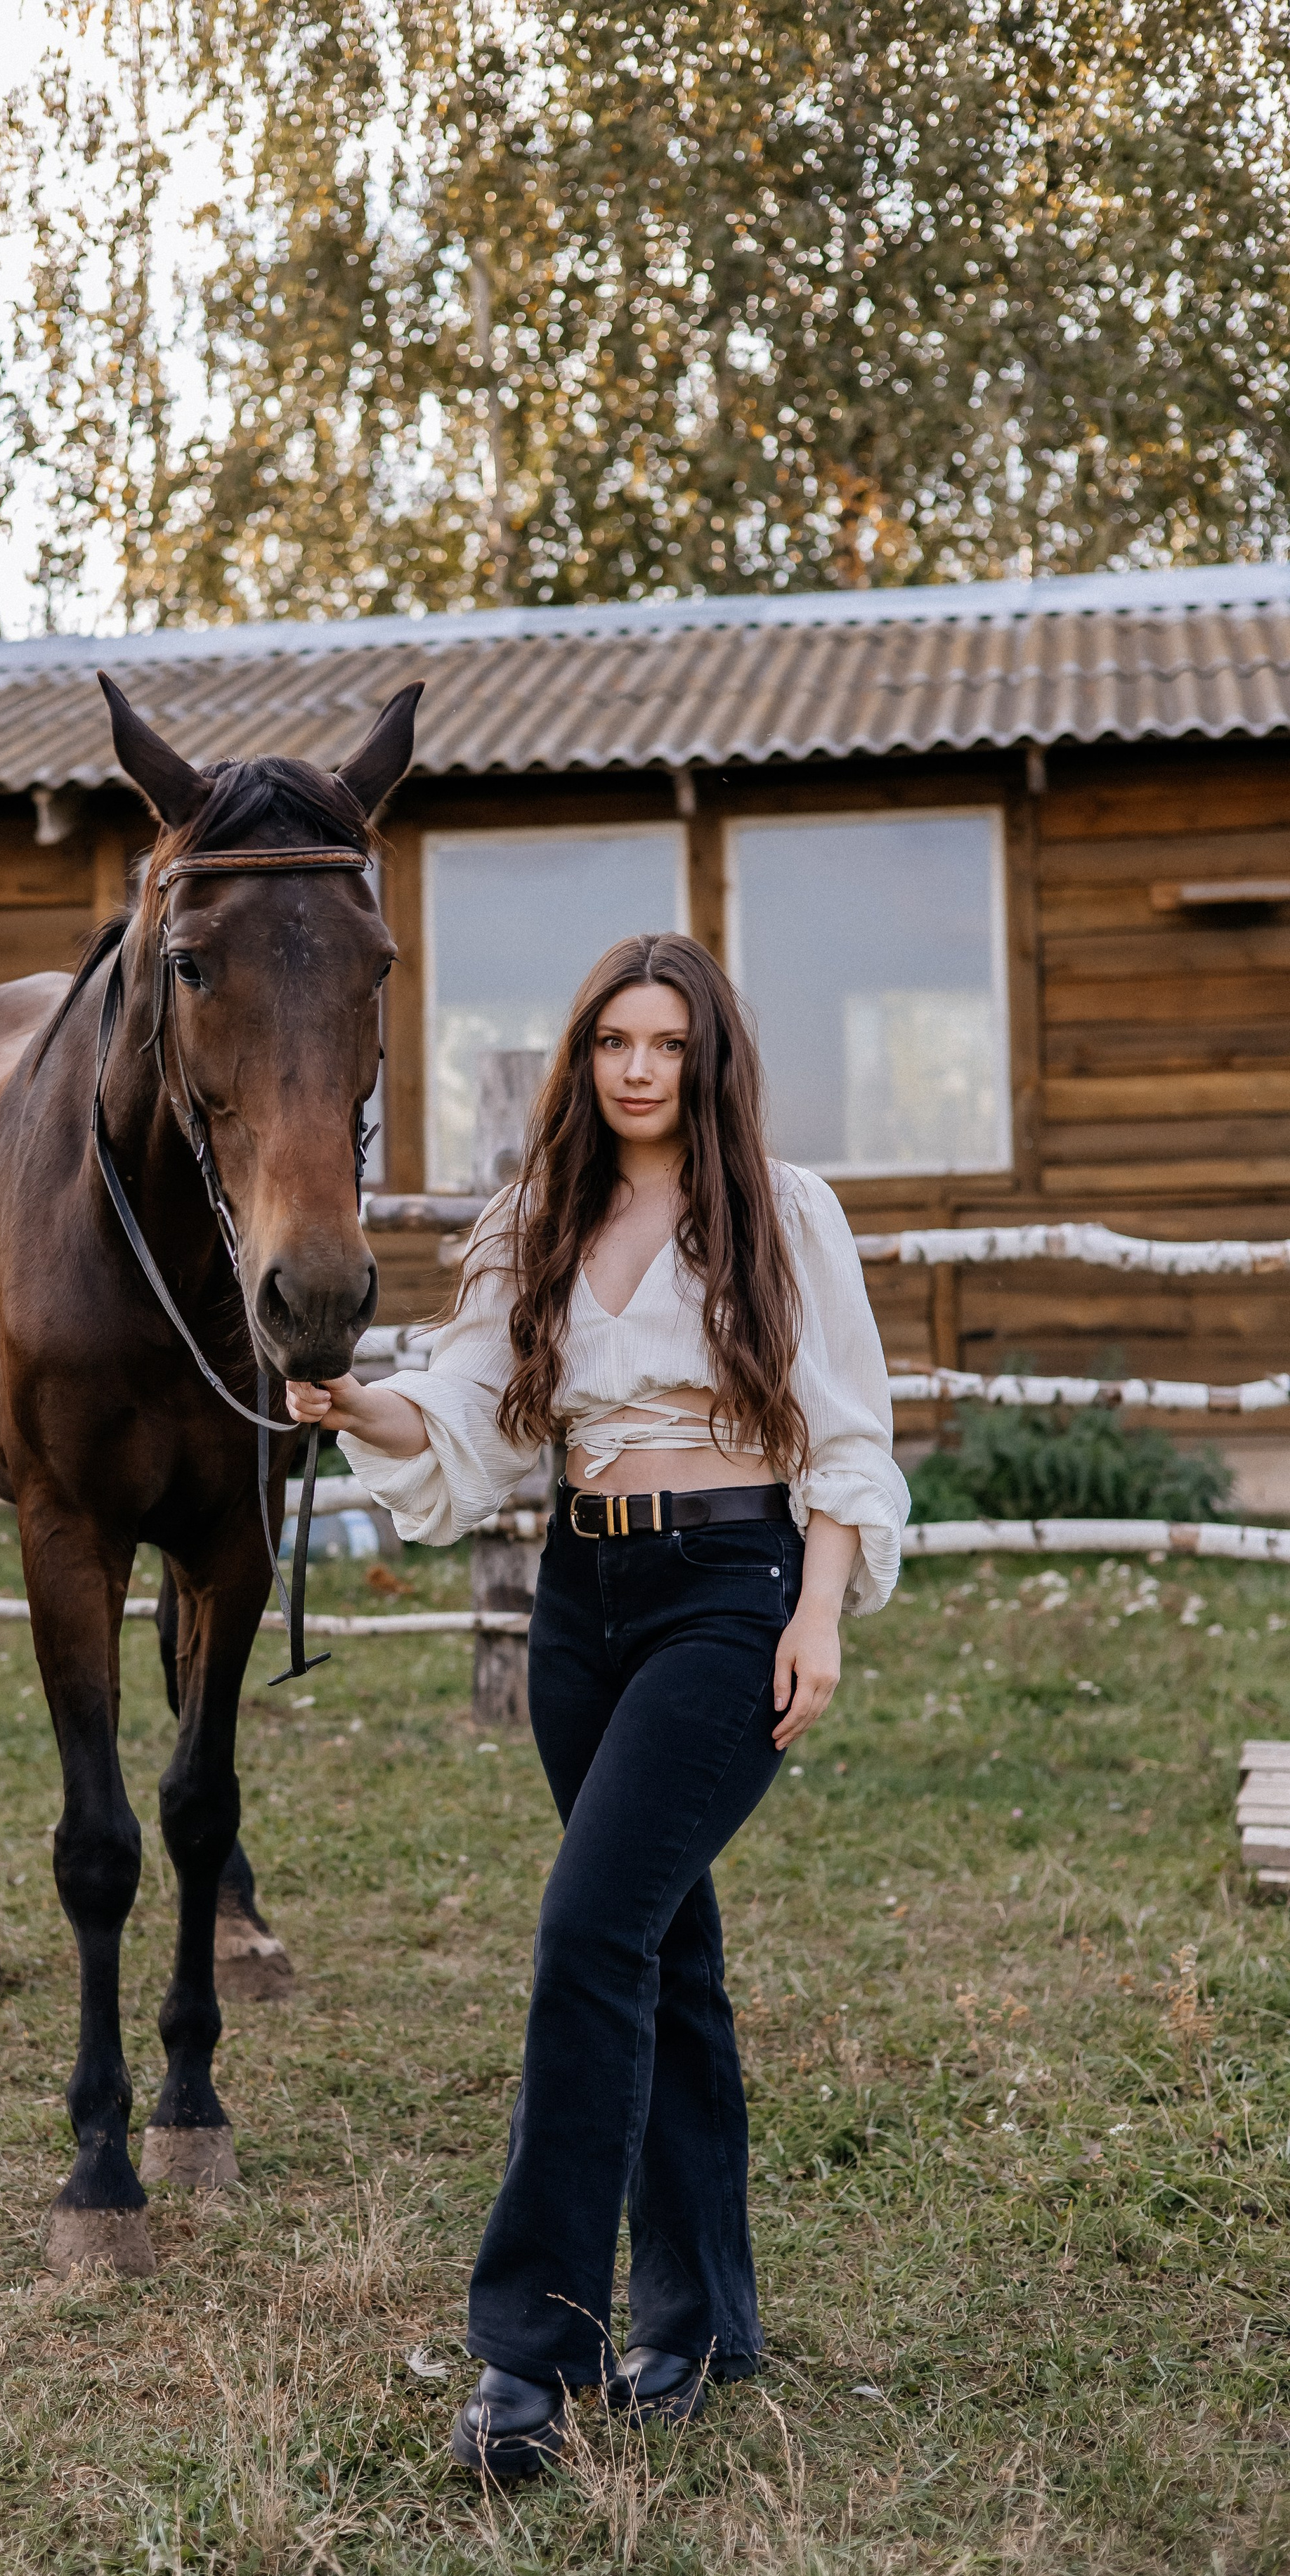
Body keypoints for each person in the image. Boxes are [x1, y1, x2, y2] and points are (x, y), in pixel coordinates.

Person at [285, 931, 908, 2480]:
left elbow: (846, 1432)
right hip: (582, 1602)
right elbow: (469, 1412)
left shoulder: (784, 1210)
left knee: (587, 1931)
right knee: (658, 1946)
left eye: (668, 1044)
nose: (639, 1069)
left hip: (730, 1591)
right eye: (615, 1042)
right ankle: (702, 2322)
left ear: (708, 1059)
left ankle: (529, 2356)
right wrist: (355, 1402)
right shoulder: (534, 1218)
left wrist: (817, 1615)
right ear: (582, 1059)